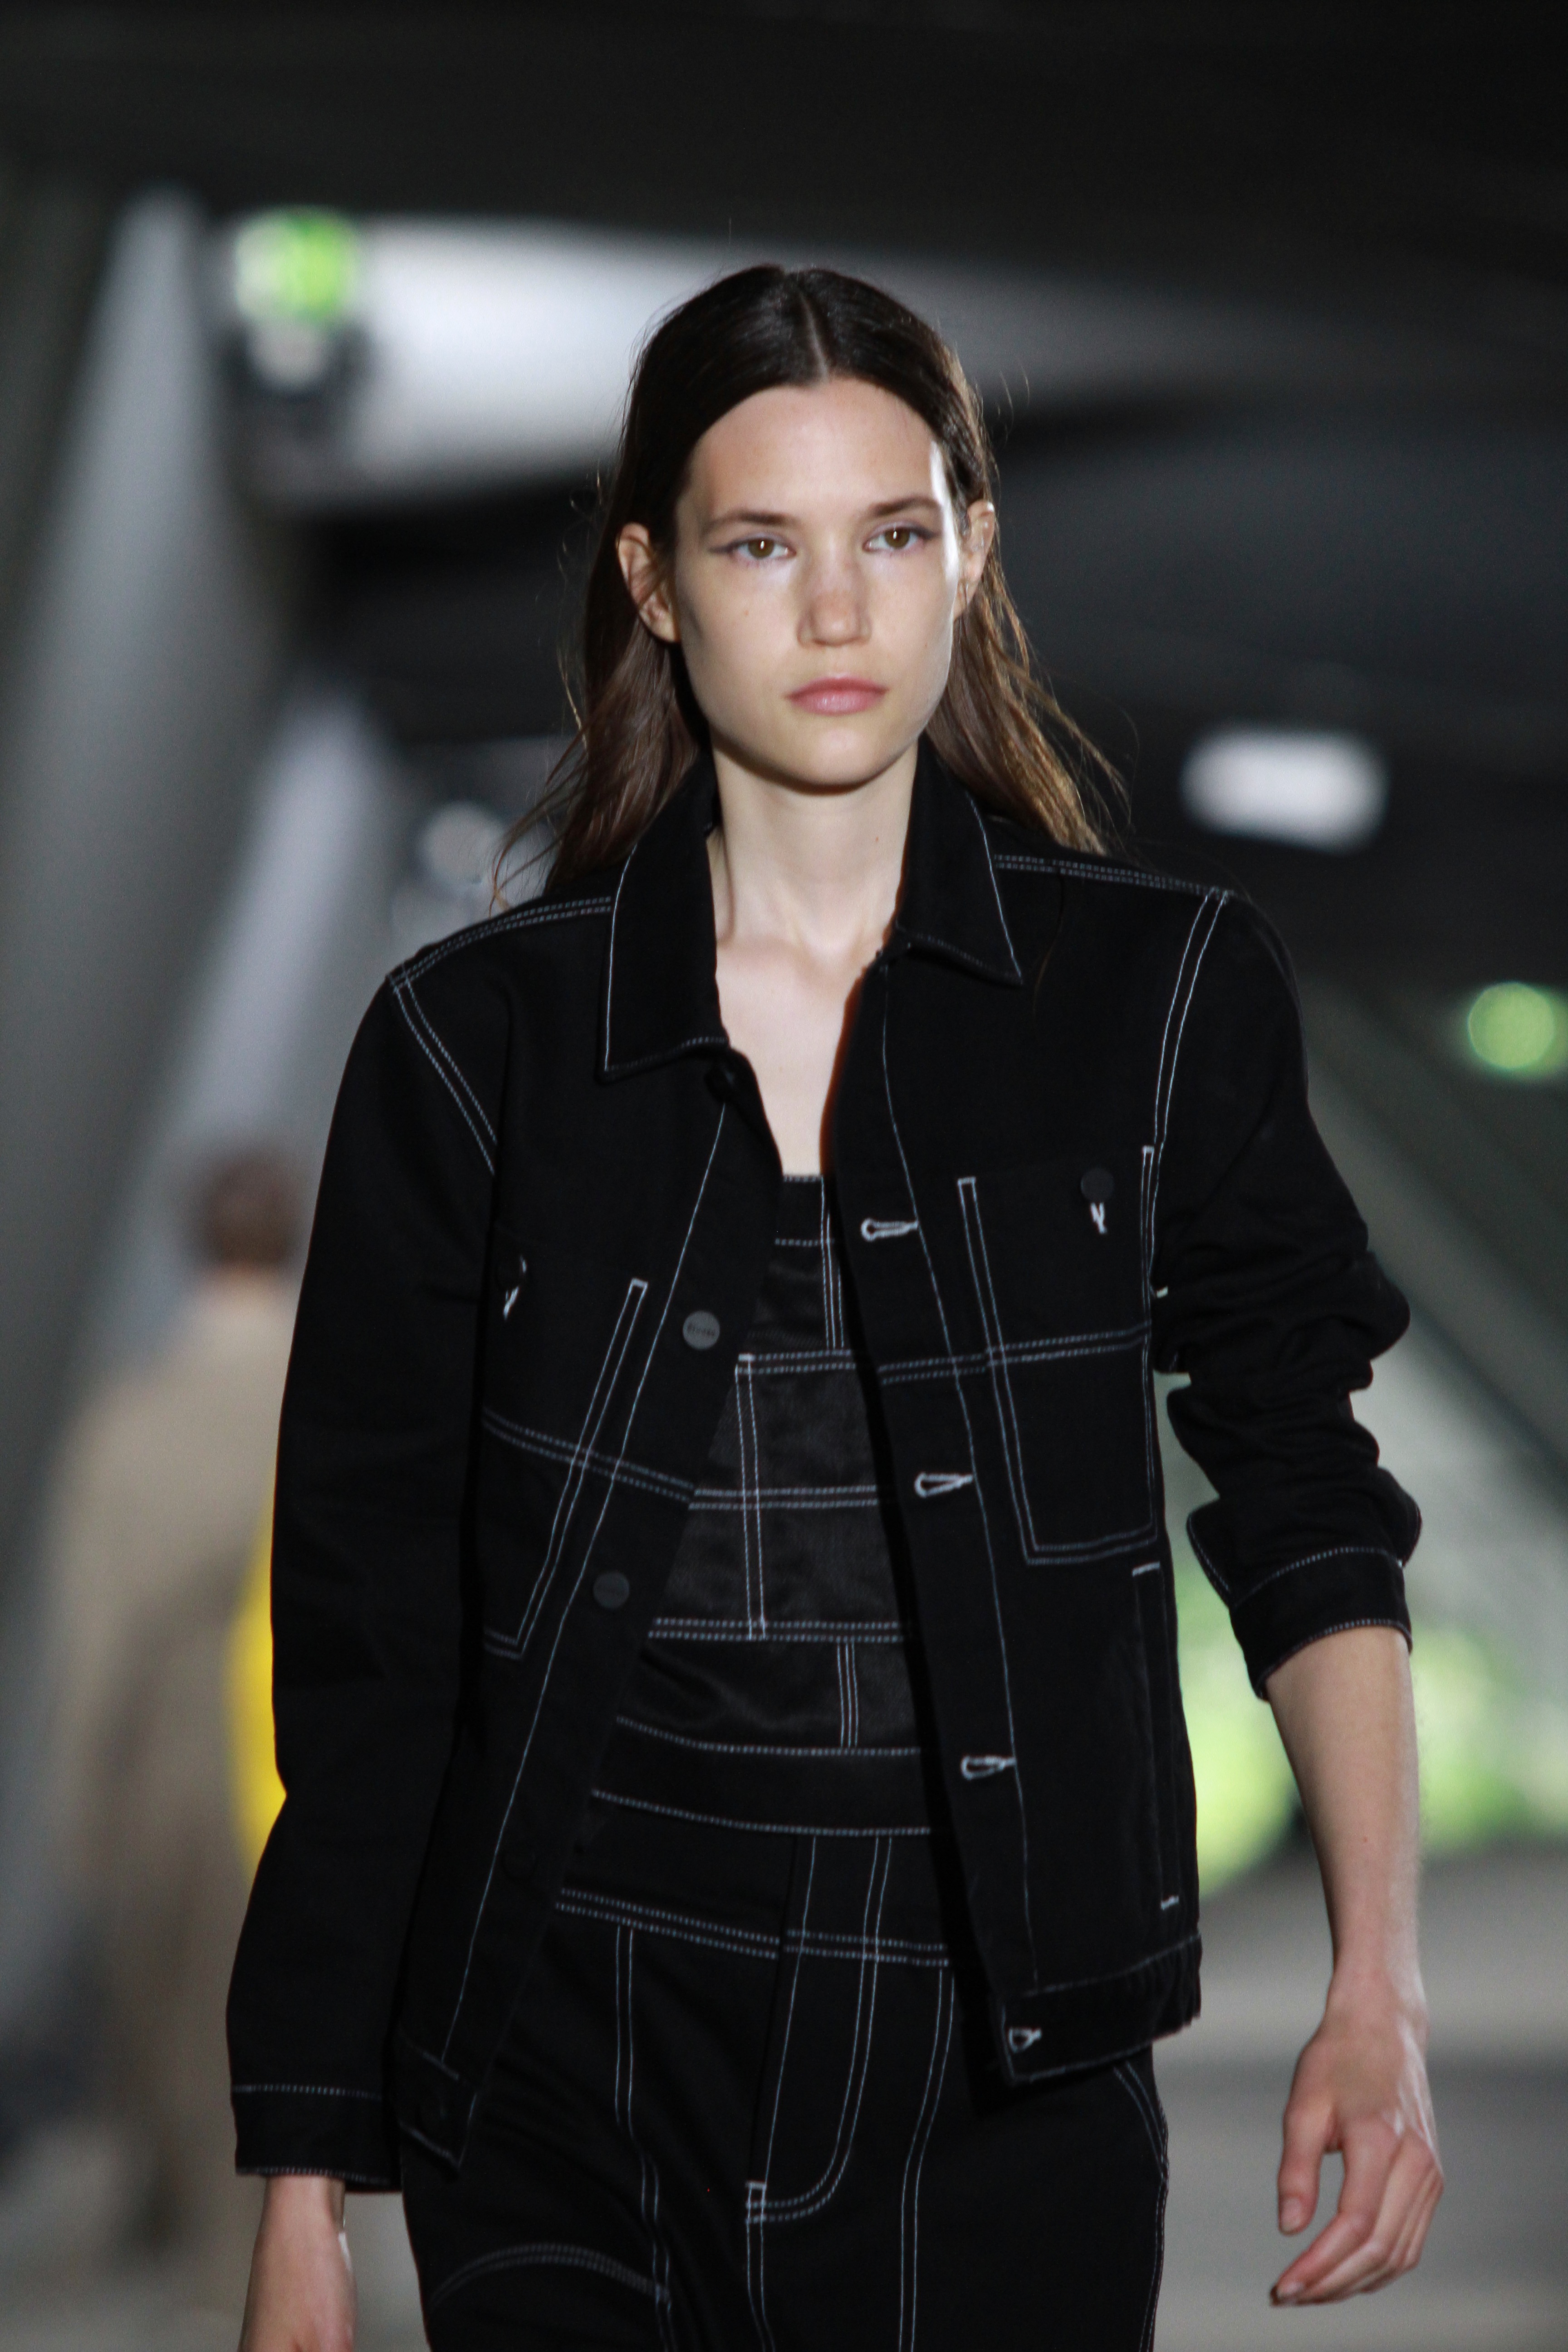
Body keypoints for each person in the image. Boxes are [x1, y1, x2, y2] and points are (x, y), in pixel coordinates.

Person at [229, 267, 1440, 2351]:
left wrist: (1376, 1984)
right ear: (654, 581)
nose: (834, 610)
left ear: (971, 550)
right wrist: (300, 2186)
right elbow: (377, 1639)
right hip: (569, 2033)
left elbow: (1304, 1496)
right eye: (759, 546)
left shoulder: (1149, 999)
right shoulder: (478, 1046)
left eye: (889, 533)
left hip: (1006, 2053)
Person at [44, 1146, 301, 2301]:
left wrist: (82, 1805)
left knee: (194, 2029)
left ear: (191, 1247)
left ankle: (222, 2280)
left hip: (178, 1748)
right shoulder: (361, 1396)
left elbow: (96, 1631)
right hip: (318, 1741)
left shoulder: (137, 1420)